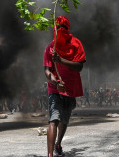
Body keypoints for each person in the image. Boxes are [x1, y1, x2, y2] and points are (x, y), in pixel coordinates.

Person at [43, 16, 86, 157]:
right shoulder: (50, 47)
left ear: (68, 29)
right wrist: (56, 83)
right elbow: (47, 70)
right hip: (54, 89)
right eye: (58, 28)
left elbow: (79, 66)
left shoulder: (76, 43)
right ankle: (50, 155)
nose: (61, 31)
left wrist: (61, 60)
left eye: (63, 29)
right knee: (53, 119)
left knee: (64, 120)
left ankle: (58, 143)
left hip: (70, 89)